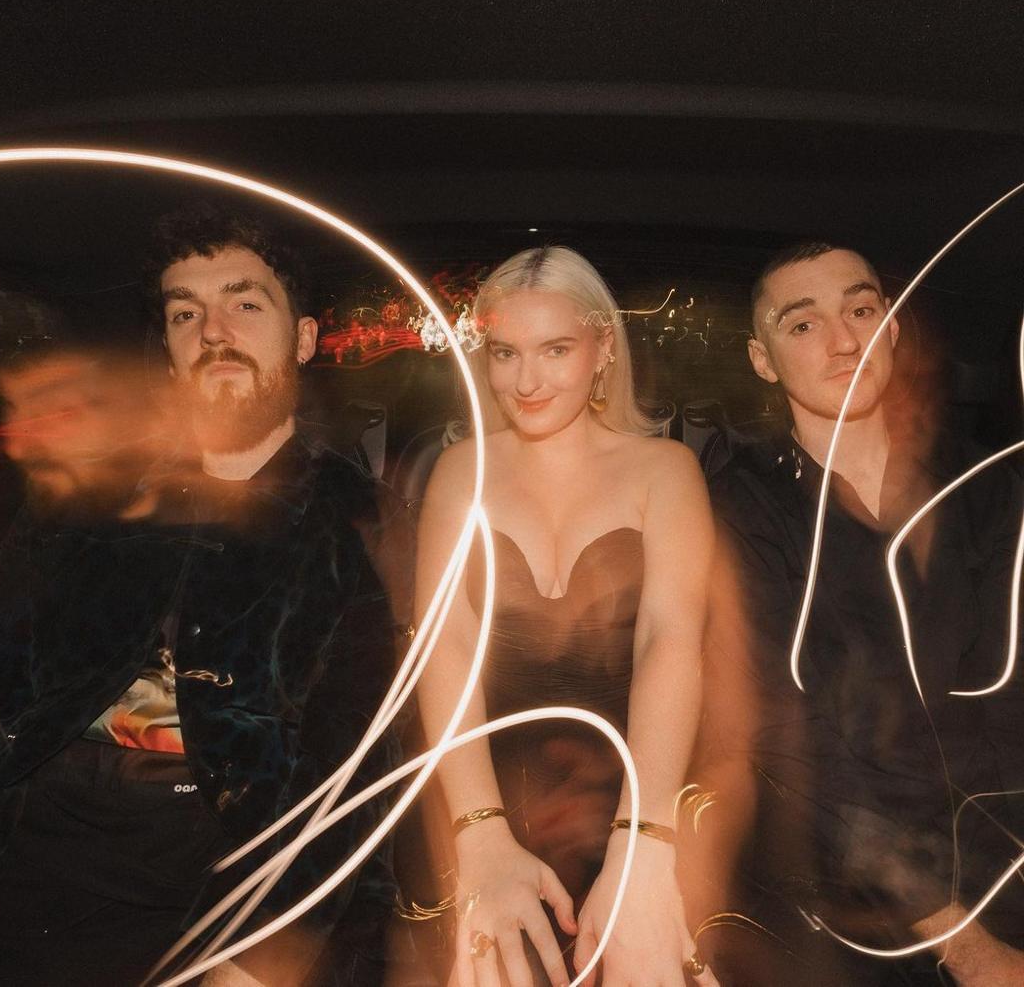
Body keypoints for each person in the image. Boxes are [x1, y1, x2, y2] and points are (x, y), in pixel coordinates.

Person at [0, 204, 405, 986]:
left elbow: (360, 772)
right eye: (185, 313)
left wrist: (256, 957)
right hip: (32, 854)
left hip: (221, 868)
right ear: (169, 352)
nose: (213, 332)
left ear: (303, 339)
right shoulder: (87, 502)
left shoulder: (364, 521)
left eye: (244, 303)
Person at [707, 242, 1024, 985]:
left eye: (860, 309)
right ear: (762, 359)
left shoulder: (990, 486)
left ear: (891, 327)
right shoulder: (741, 510)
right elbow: (798, 750)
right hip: (853, 924)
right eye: (804, 324)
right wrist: (970, 951)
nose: (845, 340)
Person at [411, 247, 719, 987]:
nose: (527, 380)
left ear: (604, 348)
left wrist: (642, 843)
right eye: (506, 353)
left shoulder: (665, 470)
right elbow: (443, 645)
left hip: (638, 777)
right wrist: (479, 835)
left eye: (556, 349)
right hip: (483, 784)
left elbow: (669, 640)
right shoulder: (462, 471)